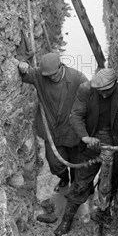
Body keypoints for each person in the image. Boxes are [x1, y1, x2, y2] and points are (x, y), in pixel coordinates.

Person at [54, 68, 118, 236]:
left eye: (106, 91)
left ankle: (102, 217)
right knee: (80, 182)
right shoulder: (86, 90)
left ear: (115, 84)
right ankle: (66, 220)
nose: (103, 94)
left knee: (109, 185)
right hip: (92, 144)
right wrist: (85, 138)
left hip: (114, 145)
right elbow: (76, 115)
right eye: (99, 91)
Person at [18, 53, 87, 192]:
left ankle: (75, 185)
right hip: (52, 131)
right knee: (54, 163)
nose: (51, 78)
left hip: (73, 131)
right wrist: (22, 64)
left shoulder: (77, 78)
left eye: (54, 74)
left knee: (76, 162)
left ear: (61, 67)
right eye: (48, 76)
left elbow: (91, 99)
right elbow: (25, 74)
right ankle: (64, 179)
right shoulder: (40, 75)